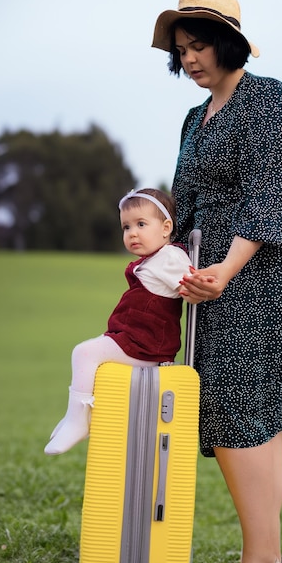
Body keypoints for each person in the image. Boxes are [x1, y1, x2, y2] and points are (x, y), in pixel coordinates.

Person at [152, 0, 282, 563]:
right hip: (215, 280)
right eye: (182, 50)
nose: (190, 59)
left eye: (200, 45)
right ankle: (266, 557)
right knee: (252, 414)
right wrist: (161, 259)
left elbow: (272, 194)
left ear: (229, 44)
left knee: (235, 411)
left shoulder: (272, 101)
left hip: (271, 275)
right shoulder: (193, 117)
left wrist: (226, 270)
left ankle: (260, 559)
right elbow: (186, 201)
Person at [44, 188, 192, 456]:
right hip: (133, 339)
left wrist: (199, 283)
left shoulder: (170, 257)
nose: (132, 233)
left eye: (141, 224)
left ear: (166, 227)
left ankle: (78, 421)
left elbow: (191, 284)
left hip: (146, 345)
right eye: (126, 227)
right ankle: (74, 416)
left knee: (84, 352)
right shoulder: (153, 260)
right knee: (91, 354)